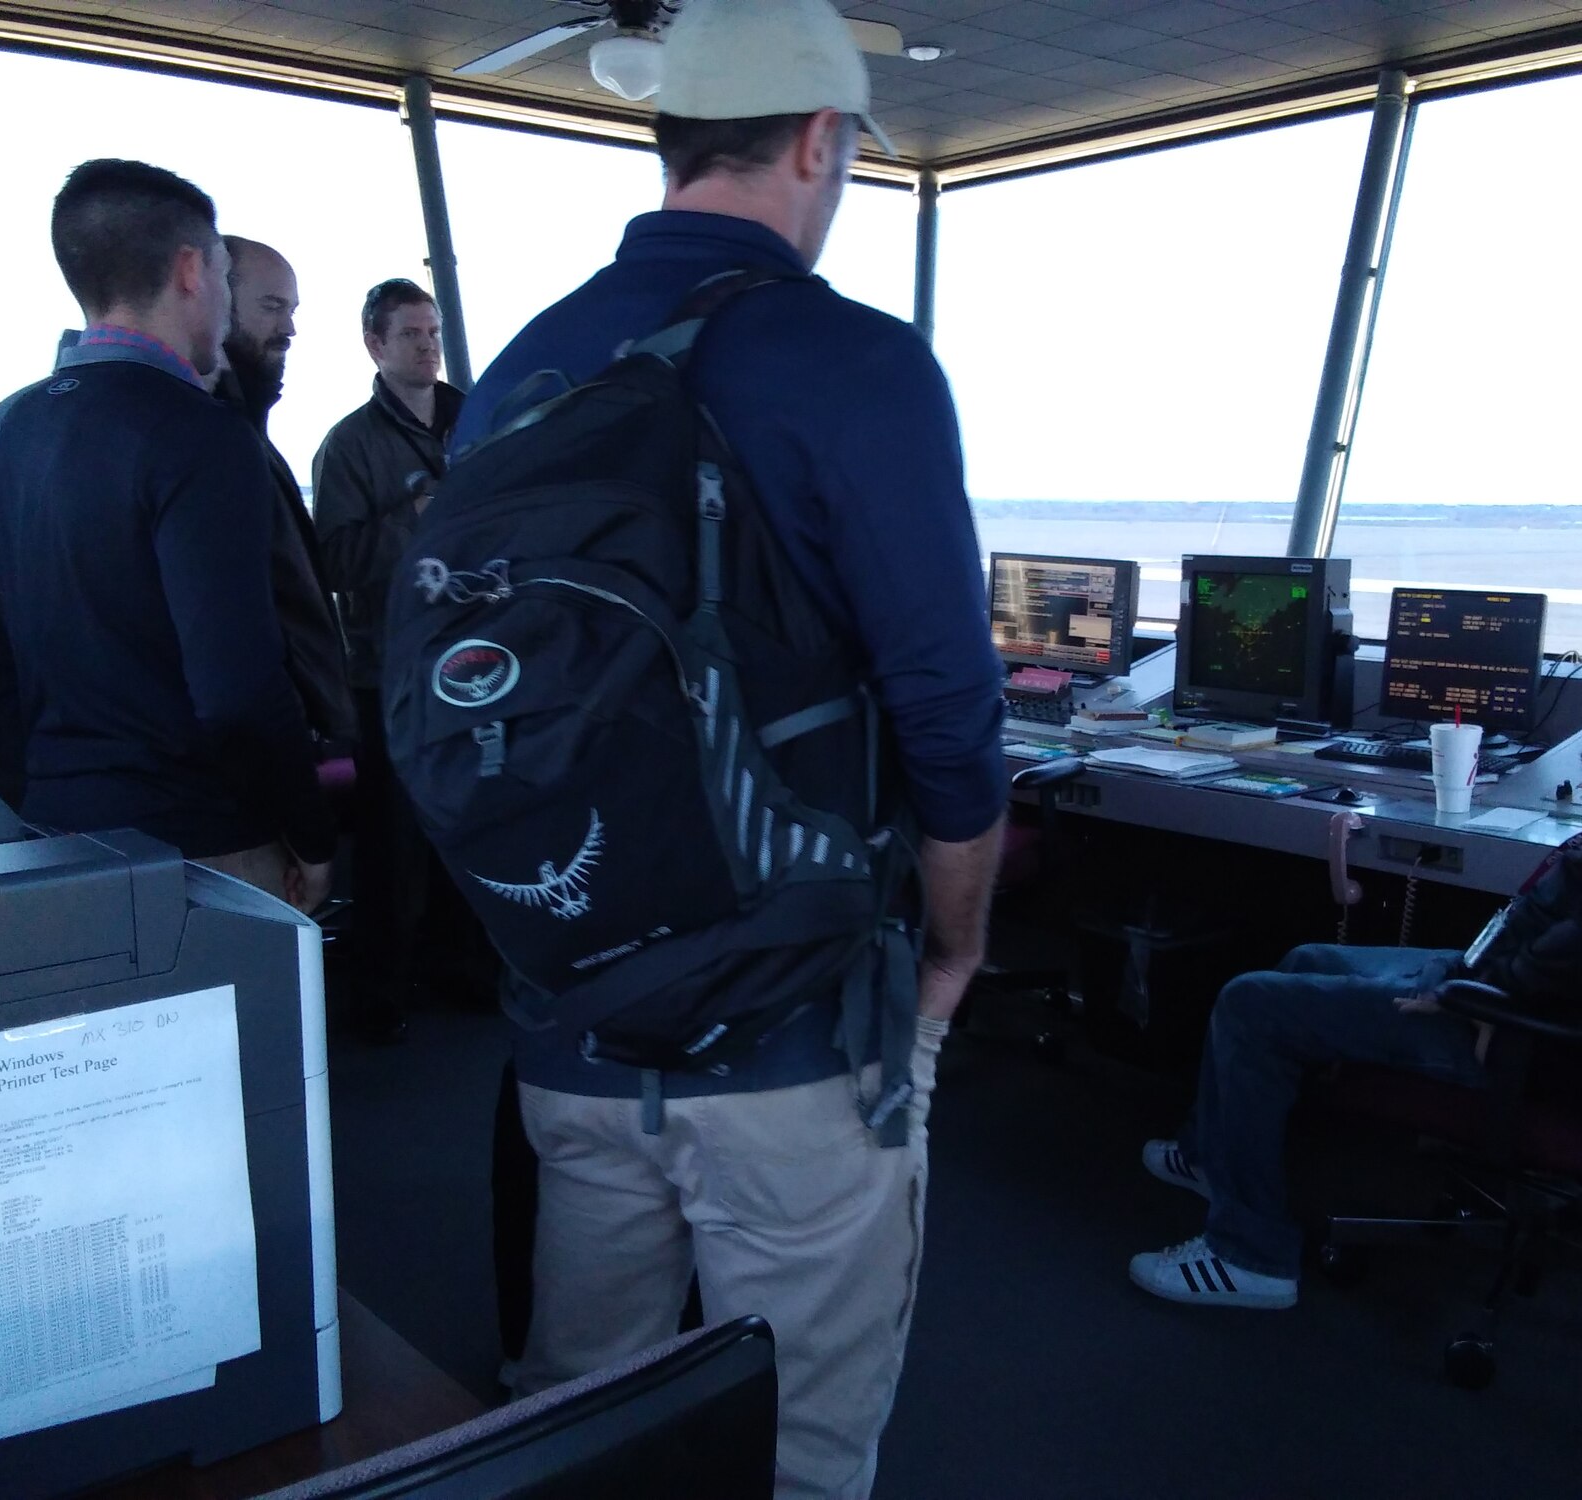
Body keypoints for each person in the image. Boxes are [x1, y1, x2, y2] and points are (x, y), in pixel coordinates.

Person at [448, 3, 1005, 1494]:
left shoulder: (522, 369)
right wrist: (950, 954)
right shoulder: (857, 366)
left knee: (585, 1428)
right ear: (821, 143)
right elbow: (950, 712)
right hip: (793, 1029)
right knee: (798, 1442)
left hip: (572, 1002)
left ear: (671, 136)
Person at [1130, 643, 1582, 1310]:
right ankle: (1213, 1158)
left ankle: (1250, 1256)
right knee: (1309, 960)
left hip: (1516, 1029)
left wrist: (1480, 999)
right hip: (1497, 981)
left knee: (1249, 1003)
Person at [0, 158, 335, 909]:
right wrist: (312, 835)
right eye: (225, 277)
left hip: (57, 843)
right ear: (191, 270)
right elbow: (240, 691)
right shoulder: (201, 436)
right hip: (205, 846)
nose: (228, 304)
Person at [313, 278, 467, 1041]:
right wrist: (412, 521)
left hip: (477, 664)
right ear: (375, 344)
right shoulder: (348, 447)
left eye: (434, 332)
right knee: (394, 841)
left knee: (474, 824)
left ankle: (466, 972)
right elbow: (333, 560)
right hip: (392, 671)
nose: (428, 346)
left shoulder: (479, 421)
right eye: (411, 334)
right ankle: (380, 996)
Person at [214, 235, 354, 752]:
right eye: (272, 307)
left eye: (292, 311)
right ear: (210, 298)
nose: (290, 329)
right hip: (260, 760)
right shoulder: (212, 443)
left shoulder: (245, 433)